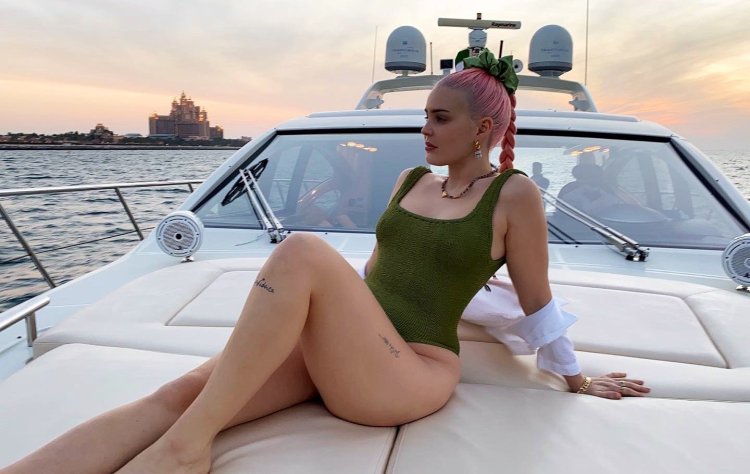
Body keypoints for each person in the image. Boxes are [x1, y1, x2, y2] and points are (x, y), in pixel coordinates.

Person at [1, 50, 649, 474]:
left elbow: (536, 300)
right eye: (424, 116)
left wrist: (576, 379)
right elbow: (374, 277)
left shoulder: (514, 196)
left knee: (302, 250)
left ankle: (184, 451)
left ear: (482, 128)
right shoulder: (411, 181)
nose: (425, 129)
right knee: (175, 396)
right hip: (348, 349)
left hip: (411, 369)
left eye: (440, 118)